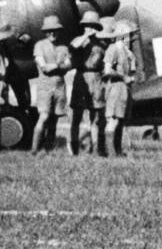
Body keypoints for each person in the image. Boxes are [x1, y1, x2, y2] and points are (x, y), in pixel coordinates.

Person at [68, 10, 107, 156]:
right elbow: (73, 47)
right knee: (76, 116)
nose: (89, 28)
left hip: (96, 79)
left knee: (95, 117)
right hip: (81, 78)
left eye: (92, 26)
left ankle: (96, 149)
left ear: (97, 27)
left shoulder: (101, 45)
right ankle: (74, 149)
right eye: (86, 25)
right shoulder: (79, 40)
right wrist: (85, 36)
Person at [31, 15, 73, 154]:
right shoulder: (39, 46)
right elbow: (44, 67)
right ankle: (35, 150)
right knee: (44, 116)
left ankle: (48, 149)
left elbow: (69, 65)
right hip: (45, 87)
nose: (52, 33)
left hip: (60, 86)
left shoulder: (64, 48)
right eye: (49, 31)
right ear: (45, 32)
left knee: (54, 119)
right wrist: (60, 65)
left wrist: (56, 66)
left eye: (55, 30)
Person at [102, 21, 137, 157]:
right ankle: (111, 153)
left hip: (125, 89)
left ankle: (117, 151)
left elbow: (132, 72)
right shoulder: (113, 49)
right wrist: (123, 77)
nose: (131, 38)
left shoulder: (128, 53)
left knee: (120, 120)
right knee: (113, 120)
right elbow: (107, 70)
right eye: (128, 35)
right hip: (116, 88)